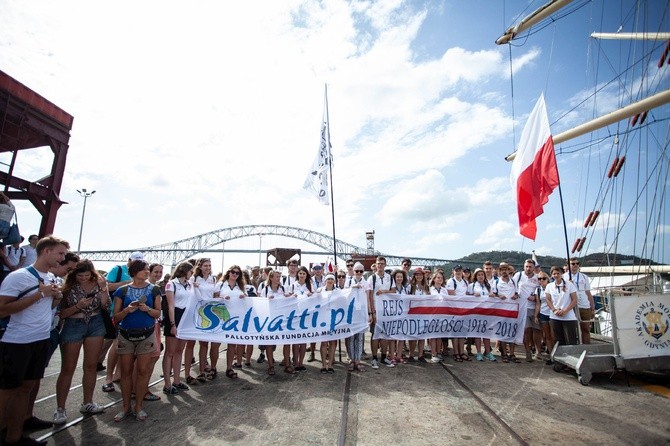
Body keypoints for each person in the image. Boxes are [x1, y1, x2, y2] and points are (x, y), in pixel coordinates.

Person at [0, 235, 69, 446]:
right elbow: (3, 309)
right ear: (46, 251)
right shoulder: (18, 277)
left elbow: (44, 309)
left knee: (27, 388)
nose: (63, 258)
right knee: (7, 391)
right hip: (17, 342)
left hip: (40, 339)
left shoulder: (51, 279)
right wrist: (40, 295)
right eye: (60, 253)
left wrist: (54, 297)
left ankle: (15, 437)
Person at [53, 260, 109, 425]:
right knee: (68, 368)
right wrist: (78, 306)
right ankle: (60, 409)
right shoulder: (68, 287)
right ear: (74, 275)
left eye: (87, 275)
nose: (84, 278)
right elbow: (61, 314)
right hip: (73, 324)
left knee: (91, 366)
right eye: (80, 276)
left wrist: (104, 287)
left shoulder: (98, 284)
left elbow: (106, 305)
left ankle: (88, 403)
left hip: (96, 323)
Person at [112, 259, 162, 422]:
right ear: (135, 272)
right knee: (125, 373)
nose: (147, 272)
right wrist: (127, 310)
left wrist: (147, 309)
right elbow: (116, 317)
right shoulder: (122, 290)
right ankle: (125, 407)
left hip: (146, 335)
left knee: (142, 371)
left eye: (148, 269)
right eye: (144, 269)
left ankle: (138, 406)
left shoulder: (154, 290)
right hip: (126, 334)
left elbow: (157, 313)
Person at [99, 251, 144, 387]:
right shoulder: (118, 269)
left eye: (139, 261)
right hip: (117, 311)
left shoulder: (141, 273)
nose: (136, 264)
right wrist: (127, 282)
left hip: (134, 313)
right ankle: (108, 378)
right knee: (116, 344)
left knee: (126, 346)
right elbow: (107, 287)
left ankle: (118, 374)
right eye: (135, 261)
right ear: (129, 260)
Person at [162, 261, 194, 394]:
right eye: (190, 271)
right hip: (175, 316)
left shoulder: (189, 285)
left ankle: (177, 380)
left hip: (185, 318)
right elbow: (170, 306)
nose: (192, 273)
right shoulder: (172, 284)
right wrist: (173, 324)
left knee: (180, 350)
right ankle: (167, 383)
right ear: (184, 271)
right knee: (170, 351)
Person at [192, 258, 220, 381]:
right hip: (199, 313)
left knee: (214, 344)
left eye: (209, 265)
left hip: (212, 313)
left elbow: (215, 295)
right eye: (205, 265)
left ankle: (213, 368)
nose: (208, 267)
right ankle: (202, 371)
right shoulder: (194, 279)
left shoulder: (213, 279)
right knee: (203, 344)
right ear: (200, 266)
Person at [218, 265, 247, 379]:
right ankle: (213, 368)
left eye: (237, 273)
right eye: (233, 272)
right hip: (222, 317)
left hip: (236, 318)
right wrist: (222, 297)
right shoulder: (220, 284)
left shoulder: (240, 286)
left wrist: (244, 296)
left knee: (232, 343)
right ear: (228, 273)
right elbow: (214, 297)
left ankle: (229, 368)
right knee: (216, 344)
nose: (235, 274)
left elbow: (247, 300)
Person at [514, 259, 543, 362]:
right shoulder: (518, 275)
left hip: (535, 308)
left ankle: (538, 352)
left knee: (537, 331)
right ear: (524, 266)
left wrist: (535, 298)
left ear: (534, 268)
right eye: (526, 266)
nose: (528, 268)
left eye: (530, 267)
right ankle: (527, 351)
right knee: (527, 330)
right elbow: (512, 287)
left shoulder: (537, 278)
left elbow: (543, 289)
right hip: (523, 307)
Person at [491, 262, 520, 363]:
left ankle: (512, 354)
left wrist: (516, 296)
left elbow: (517, 293)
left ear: (509, 270)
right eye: (502, 269)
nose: (504, 271)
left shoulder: (513, 281)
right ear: (499, 271)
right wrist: (499, 296)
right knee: (502, 332)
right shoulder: (496, 282)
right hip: (502, 311)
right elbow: (493, 294)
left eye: (506, 269)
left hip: (512, 310)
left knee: (512, 332)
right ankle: (504, 354)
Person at [259, 269, 286, 375]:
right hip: (269, 319)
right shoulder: (265, 290)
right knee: (269, 343)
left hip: (281, 319)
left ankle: (287, 363)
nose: (278, 279)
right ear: (271, 278)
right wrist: (266, 300)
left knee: (285, 341)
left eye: (279, 277)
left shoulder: (283, 288)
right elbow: (260, 304)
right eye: (276, 277)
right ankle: (270, 365)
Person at [367, 257, 392, 369]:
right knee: (375, 335)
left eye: (382, 263)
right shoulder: (371, 278)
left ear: (385, 265)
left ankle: (383, 357)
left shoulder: (389, 277)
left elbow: (394, 291)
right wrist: (372, 312)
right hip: (376, 310)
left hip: (386, 311)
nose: (380, 265)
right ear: (376, 265)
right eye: (378, 264)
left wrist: (384, 291)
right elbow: (369, 296)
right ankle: (374, 358)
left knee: (385, 335)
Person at [467, 268, 497, 362]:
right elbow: (466, 298)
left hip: (487, 312)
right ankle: (479, 352)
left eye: (482, 275)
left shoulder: (488, 286)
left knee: (487, 333)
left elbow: (493, 296)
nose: (481, 276)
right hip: (476, 312)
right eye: (479, 275)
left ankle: (488, 352)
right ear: (475, 276)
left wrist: (493, 296)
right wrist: (472, 296)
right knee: (477, 333)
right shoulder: (471, 286)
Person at [546, 266, 579, 349]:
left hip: (568, 316)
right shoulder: (549, 286)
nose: (556, 275)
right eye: (554, 274)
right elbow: (548, 299)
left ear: (562, 274)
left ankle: (573, 356)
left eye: (558, 273)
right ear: (551, 275)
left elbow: (574, 299)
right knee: (558, 339)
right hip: (555, 316)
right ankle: (560, 357)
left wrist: (566, 310)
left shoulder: (569, 284)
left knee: (571, 339)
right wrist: (554, 310)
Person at [287, 266, 312, 372]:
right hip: (295, 316)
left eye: (304, 274)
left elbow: (316, 298)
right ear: (298, 274)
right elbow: (287, 298)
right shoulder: (292, 285)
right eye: (300, 273)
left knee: (303, 341)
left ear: (306, 275)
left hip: (306, 315)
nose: (302, 275)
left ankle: (301, 362)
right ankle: (295, 362)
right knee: (295, 340)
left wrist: (312, 295)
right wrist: (291, 296)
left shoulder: (310, 285)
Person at [564, 258, 594, 344]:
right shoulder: (564, 277)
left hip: (584, 305)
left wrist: (592, 306)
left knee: (585, 329)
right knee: (571, 330)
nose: (576, 265)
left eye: (577, 263)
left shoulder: (584, 277)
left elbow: (588, 292)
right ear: (568, 266)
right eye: (573, 264)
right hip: (570, 306)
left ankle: (587, 347)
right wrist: (567, 284)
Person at [346, 267, 369, 372]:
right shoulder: (348, 281)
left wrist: (370, 313)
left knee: (359, 338)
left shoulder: (366, 283)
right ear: (353, 272)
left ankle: (357, 360)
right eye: (356, 271)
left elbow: (368, 298)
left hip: (361, 314)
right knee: (351, 338)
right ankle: (351, 359)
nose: (359, 273)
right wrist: (353, 287)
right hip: (351, 314)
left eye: (361, 271)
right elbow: (344, 294)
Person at [446, 265, 469, 363]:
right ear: (453, 271)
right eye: (456, 270)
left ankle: (461, 352)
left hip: (464, 310)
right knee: (455, 333)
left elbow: (467, 295)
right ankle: (456, 353)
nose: (458, 272)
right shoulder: (451, 281)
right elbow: (451, 295)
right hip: (455, 310)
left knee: (462, 333)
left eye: (460, 270)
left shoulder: (465, 282)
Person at [408, 267, 429, 362]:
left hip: (424, 314)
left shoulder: (426, 286)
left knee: (422, 336)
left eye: (420, 274)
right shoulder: (410, 286)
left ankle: (420, 355)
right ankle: (411, 354)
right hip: (413, 314)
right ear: (414, 276)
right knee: (413, 336)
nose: (419, 276)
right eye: (417, 274)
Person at [317, 274, 338, 373]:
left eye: (332, 279)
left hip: (335, 319)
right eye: (328, 279)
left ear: (334, 281)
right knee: (324, 342)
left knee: (333, 342)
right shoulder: (320, 290)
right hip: (323, 319)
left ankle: (330, 365)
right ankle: (323, 364)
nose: (330, 280)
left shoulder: (338, 291)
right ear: (325, 281)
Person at [535, 272, 555, 365]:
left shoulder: (553, 287)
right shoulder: (538, 290)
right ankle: (551, 355)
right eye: (539, 279)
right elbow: (538, 303)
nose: (541, 280)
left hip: (553, 313)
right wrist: (536, 315)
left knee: (554, 335)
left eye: (543, 278)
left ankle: (556, 354)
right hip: (543, 313)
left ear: (548, 279)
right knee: (547, 336)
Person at [429, 270, 447, 362]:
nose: (440, 279)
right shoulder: (430, 289)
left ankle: (438, 352)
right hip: (433, 314)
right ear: (434, 279)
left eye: (441, 278)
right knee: (433, 334)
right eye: (438, 277)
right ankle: (433, 353)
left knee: (439, 334)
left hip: (442, 314)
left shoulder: (445, 290)